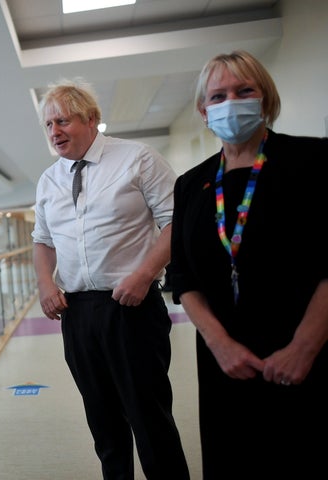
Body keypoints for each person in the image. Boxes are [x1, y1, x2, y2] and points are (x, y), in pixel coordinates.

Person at [170, 50, 328, 479]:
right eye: (218, 96)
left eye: (244, 91)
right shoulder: (191, 185)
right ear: (204, 111)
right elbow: (181, 274)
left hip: (302, 352)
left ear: (266, 99)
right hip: (224, 362)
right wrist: (218, 342)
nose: (231, 102)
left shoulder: (313, 162)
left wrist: (304, 347)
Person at [32, 79, 189, 479]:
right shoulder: (49, 180)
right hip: (78, 312)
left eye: (63, 120)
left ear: (92, 119)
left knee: (149, 419)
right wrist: (46, 285)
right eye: (48, 125)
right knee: (103, 424)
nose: (54, 132)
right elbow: (43, 241)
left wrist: (145, 274)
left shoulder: (137, 158)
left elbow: (177, 221)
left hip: (131, 307)